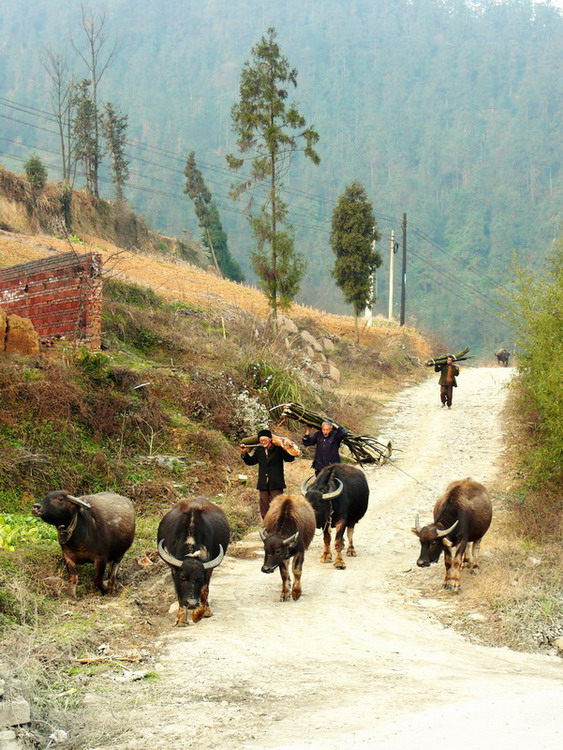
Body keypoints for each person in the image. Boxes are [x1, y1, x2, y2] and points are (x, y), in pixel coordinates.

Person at [240, 428, 296, 519]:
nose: (263, 442)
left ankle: (278, 525)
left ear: (270, 439)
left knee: (278, 506)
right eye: (261, 440)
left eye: (265, 440)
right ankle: (267, 525)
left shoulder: (278, 449)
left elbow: (289, 459)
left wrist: (286, 448)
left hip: (276, 483)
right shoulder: (259, 450)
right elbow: (251, 461)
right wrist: (244, 453)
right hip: (263, 484)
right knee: (264, 506)